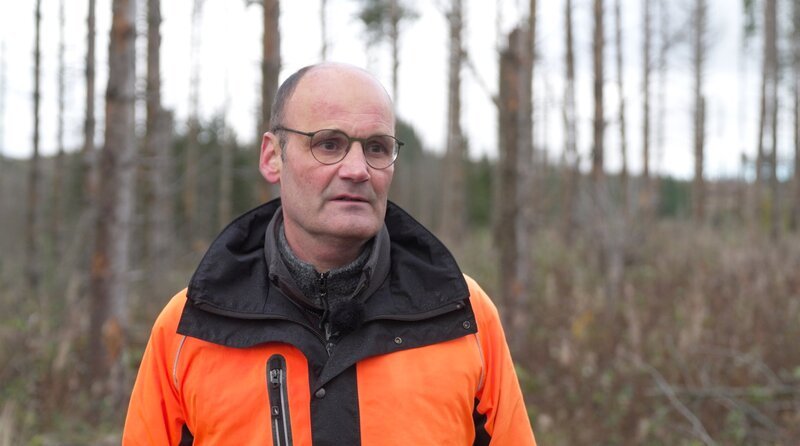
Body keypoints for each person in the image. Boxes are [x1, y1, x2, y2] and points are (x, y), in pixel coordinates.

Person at [123, 63, 537, 446]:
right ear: (272, 157)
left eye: (376, 147)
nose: (357, 169)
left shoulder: (461, 314)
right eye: (329, 144)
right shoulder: (191, 325)